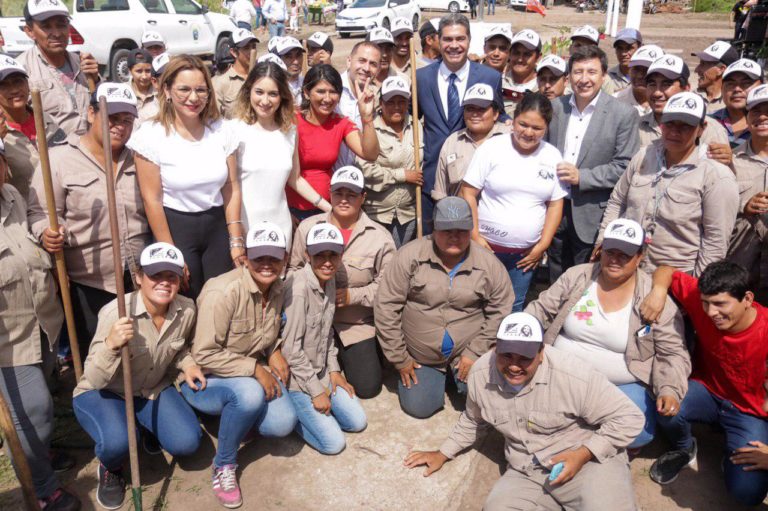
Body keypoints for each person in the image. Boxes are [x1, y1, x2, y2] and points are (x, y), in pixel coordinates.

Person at [404, 312, 645, 511]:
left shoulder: (572, 374)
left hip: (587, 462)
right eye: (506, 355)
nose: (514, 366)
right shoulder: (479, 374)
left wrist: (582, 454)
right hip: (527, 469)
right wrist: (444, 452)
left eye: (525, 357)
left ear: (541, 353)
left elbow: (630, 418)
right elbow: (473, 419)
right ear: (495, 348)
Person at [526, 218, 689, 449]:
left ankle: (578, 429)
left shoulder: (653, 297)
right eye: (610, 252)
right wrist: (516, 338)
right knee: (528, 413)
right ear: (600, 251)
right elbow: (541, 309)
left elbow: (672, 353)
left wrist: (669, 388)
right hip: (561, 373)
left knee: (638, 434)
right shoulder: (578, 276)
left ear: (640, 257)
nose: (615, 260)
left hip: (619, 385)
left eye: (625, 255)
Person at [73, 243, 203, 510]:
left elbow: (179, 350)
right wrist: (110, 344)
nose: (164, 283)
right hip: (105, 390)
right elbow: (95, 379)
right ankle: (110, 468)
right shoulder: (116, 312)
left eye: (172, 276)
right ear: (139, 278)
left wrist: (188, 365)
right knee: (118, 441)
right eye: (156, 275)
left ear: (180, 280)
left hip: (150, 388)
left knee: (187, 442)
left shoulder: (187, 309)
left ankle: (143, 426)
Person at [28, 83, 149, 354]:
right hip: (89, 281)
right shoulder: (58, 160)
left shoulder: (140, 160)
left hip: (138, 277)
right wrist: (46, 231)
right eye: (112, 118)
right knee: (97, 356)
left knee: (138, 353)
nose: (120, 126)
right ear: (91, 113)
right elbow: (39, 213)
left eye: (127, 121)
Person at [184, 224, 298, 508]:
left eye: (274, 258)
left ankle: (234, 420)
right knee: (250, 394)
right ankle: (223, 464)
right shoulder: (222, 291)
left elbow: (266, 335)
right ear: (245, 258)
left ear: (285, 260)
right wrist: (256, 368)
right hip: (203, 380)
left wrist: (274, 352)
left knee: (282, 423)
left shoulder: (279, 288)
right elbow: (204, 354)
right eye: (260, 257)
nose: (267, 265)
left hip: (242, 373)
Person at [640, 261, 768, 506]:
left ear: (748, 299)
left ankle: (732, 452)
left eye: (720, 304)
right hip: (707, 391)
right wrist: (657, 292)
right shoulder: (704, 298)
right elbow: (666, 271)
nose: (710, 312)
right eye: (706, 303)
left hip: (750, 414)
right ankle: (685, 447)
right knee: (665, 404)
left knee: (747, 492)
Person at [374, 197, 514, 419]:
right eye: (446, 229)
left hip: (467, 353)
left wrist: (475, 351)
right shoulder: (409, 256)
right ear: (434, 229)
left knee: (485, 398)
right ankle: (438, 379)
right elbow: (386, 307)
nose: (454, 236)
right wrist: (400, 358)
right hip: (421, 356)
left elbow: (501, 310)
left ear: (471, 230)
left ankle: (456, 376)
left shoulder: (489, 264)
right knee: (419, 407)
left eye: (462, 230)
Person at [0, 140, 80, 510]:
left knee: (41, 408)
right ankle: (43, 489)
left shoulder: (13, 195)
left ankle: (39, 454)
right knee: (32, 411)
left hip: (45, 324)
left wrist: (43, 234)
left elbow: (32, 229)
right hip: (9, 343)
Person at [128, 55, 244, 300]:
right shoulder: (150, 136)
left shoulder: (222, 131)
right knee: (185, 299)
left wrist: (235, 238)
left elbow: (231, 186)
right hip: (175, 227)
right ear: (167, 90)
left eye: (201, 90)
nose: (193, 98)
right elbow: (152, 200)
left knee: (220, 298)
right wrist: (171, 252)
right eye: (184, 89)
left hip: (216, 227)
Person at [599, 92, 739, 277]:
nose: (674, 132)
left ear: (701, 128)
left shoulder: (715, 176)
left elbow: (715, 241)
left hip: (677, 277)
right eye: (669, 123)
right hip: (629, 268)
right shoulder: (644, 156)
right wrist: (603, 240)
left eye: (685, 126)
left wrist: (696, 289)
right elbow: (618, 201)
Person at [289, 167, 396, 398]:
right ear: (329, 193)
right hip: (312, 322)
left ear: (363, 197)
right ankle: (332, 366)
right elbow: (293, 271)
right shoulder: (308, 228)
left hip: (354, 324)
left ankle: (354, 358)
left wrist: (352, 296)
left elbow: (389, 289)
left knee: (368, 388)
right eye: (338, 193)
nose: (344, 200)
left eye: (352, 194)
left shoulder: (380, 237)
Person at [462, 93, 567, 312]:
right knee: (476, 304)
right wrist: (475, 236)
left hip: (525, 257)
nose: (528, 132)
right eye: (523, 124)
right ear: (514, 119)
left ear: (546, 128)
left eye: (537, 128)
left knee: (514, 305)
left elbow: (556, 204)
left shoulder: (552, 156)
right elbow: (468, 192)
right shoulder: (492, 148)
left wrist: (542, 245)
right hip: (486, 250)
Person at [545, 45, 640, 281]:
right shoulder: (555, 108)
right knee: (555, 269)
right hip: (555, 207)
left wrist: (583, 177)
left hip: (590, 211)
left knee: (585, 275)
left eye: (591, 72)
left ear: (604, 75)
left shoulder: (623, 114)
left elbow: (624, 166)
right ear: (568, 77)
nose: (584, 79)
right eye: (578, 72)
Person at [416, 14, 507, 233]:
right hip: (433, 183)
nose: (454, 45)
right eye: (448, 39)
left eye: (460, 39)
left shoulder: (489, 77)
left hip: (479, 184)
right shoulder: (420, 78)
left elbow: (500, 118)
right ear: (438, 40)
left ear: (469, 40)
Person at [283, 223, 368, 454]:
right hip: (298, 380)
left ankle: (315, 411)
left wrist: (334, 370)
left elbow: (327, 332)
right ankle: (294, 414)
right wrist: (317, 391)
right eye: (320, 255)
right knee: (334, 444)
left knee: (357, 422)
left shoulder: (329, 280)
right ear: (307, 255)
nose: (327, 262)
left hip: (321, 369)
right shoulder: (298, 289)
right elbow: (290, 350)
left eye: (333, 255)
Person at [232, 61, 330, 248]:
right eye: (259, 92)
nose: (265, 101)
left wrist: (329, 208)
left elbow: (295, 179)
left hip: (281, 229)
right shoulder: (234, 131)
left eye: (273, 94)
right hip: (245, 229)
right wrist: (235, 235)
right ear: (249, 92)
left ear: (282, 96)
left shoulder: (290, 131)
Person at [287, 64, 378, 220]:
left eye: (333, 92)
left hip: (326, 210)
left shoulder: (341, 123)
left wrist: (367, 117)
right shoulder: (291, 120)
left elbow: (370, 154)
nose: (327, 98)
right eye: (321, 91)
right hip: (292, 210)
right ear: (307, 93)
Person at [18, 0, 100, 136]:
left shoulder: (84, 63)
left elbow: (101, 109)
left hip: (91, 149)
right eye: (46, 27)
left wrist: (96, 80)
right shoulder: (20, 71)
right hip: (51, 154)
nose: (56, 33)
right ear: (29, 31)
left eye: (61, 25)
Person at [359, 77, 423, 248]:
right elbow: (365, 170)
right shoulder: (370, 128)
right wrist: (402, 175)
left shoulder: (416, 126)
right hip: (376, 213)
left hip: (407, 214)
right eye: (390, 102)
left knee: (401, 264)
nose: (396, 107)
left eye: (401, 101)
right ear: (381, 103)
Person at [640, 55, 732, 162]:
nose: (657, 92)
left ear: (686, 88)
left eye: (666, 84)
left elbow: (720, 173)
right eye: (652, 84)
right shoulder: (636, 125)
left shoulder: (711, 130)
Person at [0, 56, 65, 199]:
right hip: (22, 214)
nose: (15, 90)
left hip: (59, 207)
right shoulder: (2, 134)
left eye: (18, 82)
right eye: (4, 85)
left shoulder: (46, 119)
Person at [727, 84, 768, 302]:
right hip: (740, 267)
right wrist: (742, 206)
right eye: (756, 110)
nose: (762, 116)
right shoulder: (729, 161)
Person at [432, 84, 508, 202]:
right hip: (461, 217)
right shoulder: (453, 141)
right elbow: (441, 193)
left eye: (482, 109)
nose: (475, 114)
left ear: (495, 114)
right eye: (470, 108)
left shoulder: (510, 137)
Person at [333, 41, 381, 168]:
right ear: (349, 61)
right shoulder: (331, 91)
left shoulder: (378, 97)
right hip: (329, 179)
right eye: (362, 60)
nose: (366, 68)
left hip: (358, 179)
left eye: (373, 64)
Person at [711, 58, 764, 149]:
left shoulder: (764, 125)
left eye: (746, 83)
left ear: (762, 86)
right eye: (731, 84)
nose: (737, 89)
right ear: (722, 88)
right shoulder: (707, 122)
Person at [212, 28, 259, 119]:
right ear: (234, 52)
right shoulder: (221, 83)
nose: (251, 51)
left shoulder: (262, 78)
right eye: (246, 48)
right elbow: (216, 119)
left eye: (253, 47)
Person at [614, 44, 663, 117]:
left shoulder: (670, 103)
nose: (640, 76)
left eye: (646, 70)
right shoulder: (615, 102)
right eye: (636, 69)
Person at [693, 41, 739, 113]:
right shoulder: (691, 97)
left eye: (703, 64)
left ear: (721, 69)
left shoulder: (733, 104)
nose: (696, 70)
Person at [502, 29, 541, 114]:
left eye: (527, 54)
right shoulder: (498, 83)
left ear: (538, 57)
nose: (520, 59)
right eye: (516, 53)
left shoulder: (545, 87)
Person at [126, 49, 158, 127]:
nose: (144, 76)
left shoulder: (159, 91)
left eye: (148, 71)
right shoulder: (122, 92)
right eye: (139, 71)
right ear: (130, 71)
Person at [607, 28, 642, 93]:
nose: (623, 53)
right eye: (620, 48)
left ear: (640, 48)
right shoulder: (608, 77)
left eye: (629, 48)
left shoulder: (648, 76)